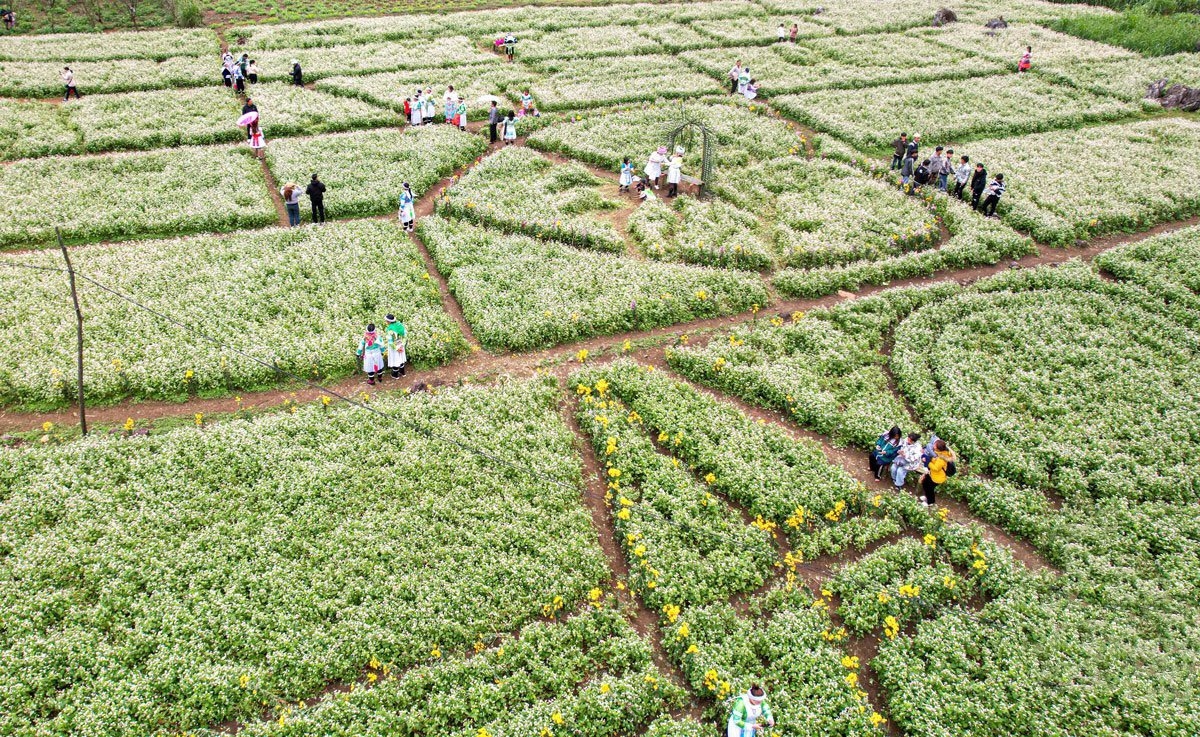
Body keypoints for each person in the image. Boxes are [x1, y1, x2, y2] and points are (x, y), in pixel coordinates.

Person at [919, 439, 956, 506]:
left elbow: (936, 468)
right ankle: (927, 497)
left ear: (938, 449)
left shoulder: (941, 459)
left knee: (929, 488)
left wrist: (928, 462)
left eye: (935, 445)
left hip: (937, 478)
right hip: (932, 474)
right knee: (925, 483)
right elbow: (934, 459)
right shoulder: (940, 453)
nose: (933, 446)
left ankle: (930, 502)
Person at [384, 313, 407, 378]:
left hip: (394, 347)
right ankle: (403, 372)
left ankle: (395, 375)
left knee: (395, 360)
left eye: (386, 321)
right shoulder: (400, 325)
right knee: (401, 358)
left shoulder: (389, 329)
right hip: (401, 344)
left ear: (388, 321)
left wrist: (397, 348)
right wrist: (402, 345)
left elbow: (390, 342)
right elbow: (405, 336)